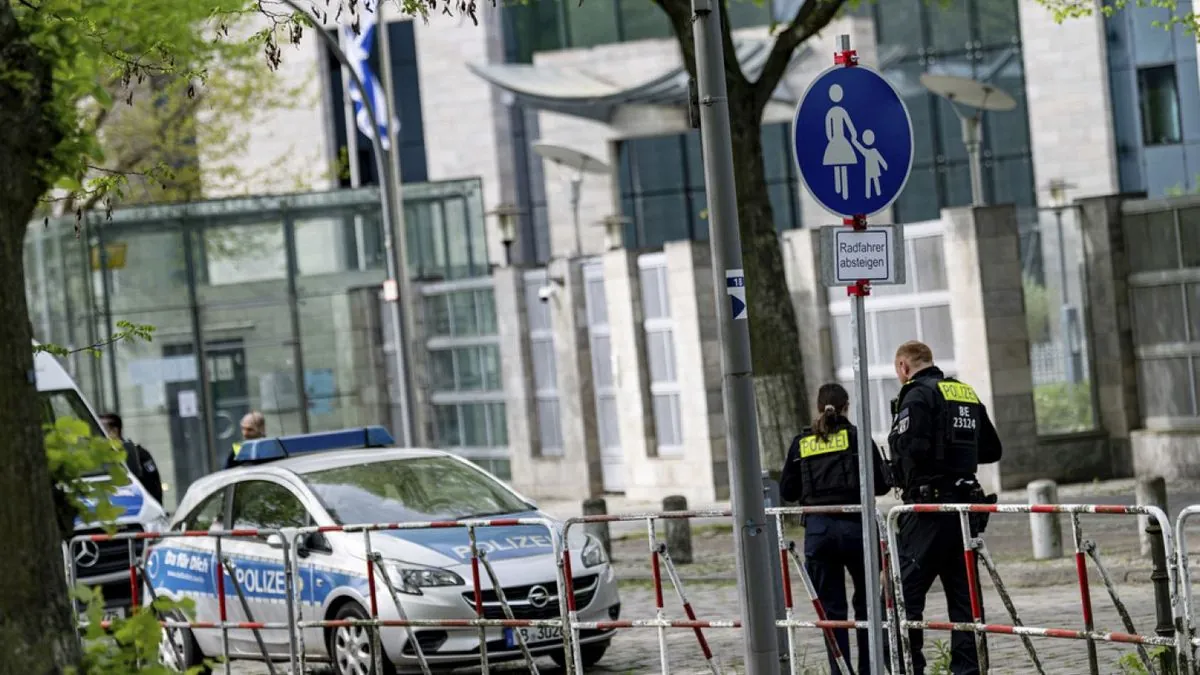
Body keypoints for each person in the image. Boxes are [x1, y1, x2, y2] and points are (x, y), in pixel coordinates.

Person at [887, 341, 1002, 675]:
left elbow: (912, 448)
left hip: (929, 510)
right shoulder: (963, 392)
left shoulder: (915, 394)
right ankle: (967, 671)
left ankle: (910, 668)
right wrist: (956, 455)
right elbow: (992, 448)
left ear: (903, 367)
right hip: (966, 508)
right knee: (964, 599)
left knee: (903, 595)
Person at [780, 383, 892, 675]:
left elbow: (788, 491)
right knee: (869, 608)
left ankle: (839, 671)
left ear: (819, 407)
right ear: (846, 407)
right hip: (857, 531)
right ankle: (870, 670)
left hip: (818, 533)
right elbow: (881, 484)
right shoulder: (856, 437)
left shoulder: (801, 442)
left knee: (831, 612)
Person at [100, 413, 164, 504]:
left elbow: (153, 486)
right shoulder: (100, 457)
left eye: (101, 430)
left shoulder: (139, 455)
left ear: (114, 431)